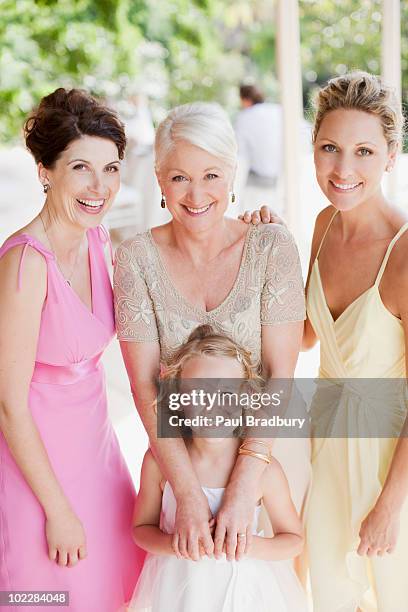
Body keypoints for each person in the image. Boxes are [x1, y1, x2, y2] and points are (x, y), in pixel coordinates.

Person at [113, 101, 310, 567]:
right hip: (179, 460)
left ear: (233, 175)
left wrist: (246, 485)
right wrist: (185, 491)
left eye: (212, 175)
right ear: (160, 179)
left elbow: (281, 371)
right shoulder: (136, 259)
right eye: (179, 176)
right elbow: (145, 386)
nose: (196, 193)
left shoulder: (271, 246)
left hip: (269, 456)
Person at [243, 71, 408, 612]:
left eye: (364, 151)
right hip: (324, 449)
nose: (343, 169)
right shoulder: (321, 224)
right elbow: (309, 337)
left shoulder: (405, 251)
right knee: (330, 596)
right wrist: (265, 248)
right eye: (329, 148)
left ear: (391, 154)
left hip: (389, 466)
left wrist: (390, 506)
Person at [0, 88, 144, 611]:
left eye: (110, 168)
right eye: (81, 167)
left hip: (99, 458)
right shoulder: (24, 263)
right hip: (37, 473)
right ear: (45, 170)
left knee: (112, 592)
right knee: (48, 597)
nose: (99, 186)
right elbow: (10, 405)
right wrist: (57, 509)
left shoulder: (98, 239)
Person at [127, 325, 307, 612]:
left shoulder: (265, 470)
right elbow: (141, 529)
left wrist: (248, 546)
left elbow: (294, 540)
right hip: (180, 590)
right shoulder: (158, 463)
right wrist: (177, 544)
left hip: (246, 593)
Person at [234, 84, 284, 215]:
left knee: (246, 213)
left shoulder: (244, 117)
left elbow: (240, 152)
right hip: (281, 177)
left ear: (245, 100)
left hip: (257, 180)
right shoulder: (278, 110)